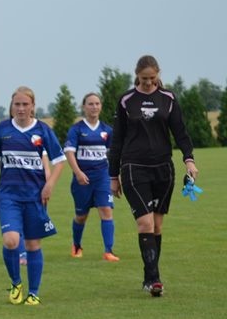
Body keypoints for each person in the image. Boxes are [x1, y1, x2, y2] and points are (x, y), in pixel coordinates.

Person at [108, 55, 197, 297]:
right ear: (137, 75)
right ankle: (155, 279)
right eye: (144, 78)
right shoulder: (126, 100)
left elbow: (180, 132)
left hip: (163, 169)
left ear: (158, 74)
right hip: (134, 168)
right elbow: (117, 140)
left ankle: (149, 277)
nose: (148, 83)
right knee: (145, 223)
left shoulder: (168, 98)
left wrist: (189, 159)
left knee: (157, 225)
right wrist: (113, 175)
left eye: (152, 78)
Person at [0, 86, 66, 305]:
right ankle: (16, 282)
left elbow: (60, 162)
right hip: (9, 196)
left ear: (32, 106)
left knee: (32, 245)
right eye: (17, 104)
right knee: (11, 240)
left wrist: (50, 184)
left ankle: (34, 292)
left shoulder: (42, 130)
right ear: (12, 106)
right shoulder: (3, 129)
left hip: (34, 196)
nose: (20, 108)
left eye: (25, 104)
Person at [64, 92, 119, 262]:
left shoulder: (107, 130)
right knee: (81, 216)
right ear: (84, 107)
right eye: (90, 104)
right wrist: (78, 172)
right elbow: (69, 152)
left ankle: (108, 251)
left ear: (101, 106)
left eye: (97, 103)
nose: (94, 107)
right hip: (82, 179)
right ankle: (76, 245)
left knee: (106, 210)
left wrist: (116, 176)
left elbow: (113, 155)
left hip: (102, 177)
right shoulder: (77, 129)